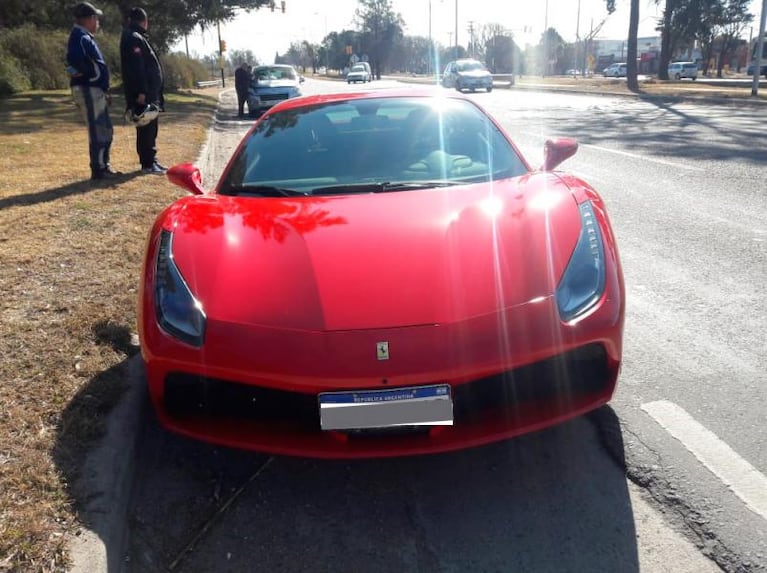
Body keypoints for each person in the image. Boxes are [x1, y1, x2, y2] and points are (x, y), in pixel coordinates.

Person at [66, 2, 121, 181]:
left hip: (95, 89)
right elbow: (71, 62)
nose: (98, 22)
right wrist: (88, 75)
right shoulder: (79, 37)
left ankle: (104, 165)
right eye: (96, 18)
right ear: (89, 19)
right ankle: (98, 169)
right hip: (88, 88)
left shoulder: (85, 37)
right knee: (98, 129)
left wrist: (103, 87)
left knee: (105, 128)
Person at [120, 7, 166, 174]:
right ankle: (147, 163)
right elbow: (137, 68)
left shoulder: (137, 37)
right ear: (144, 22)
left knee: (151, 127)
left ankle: (152, 160)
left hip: (150, 92)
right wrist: (141, 92)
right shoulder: (133, 38)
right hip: (144, 93)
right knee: (146, 127)